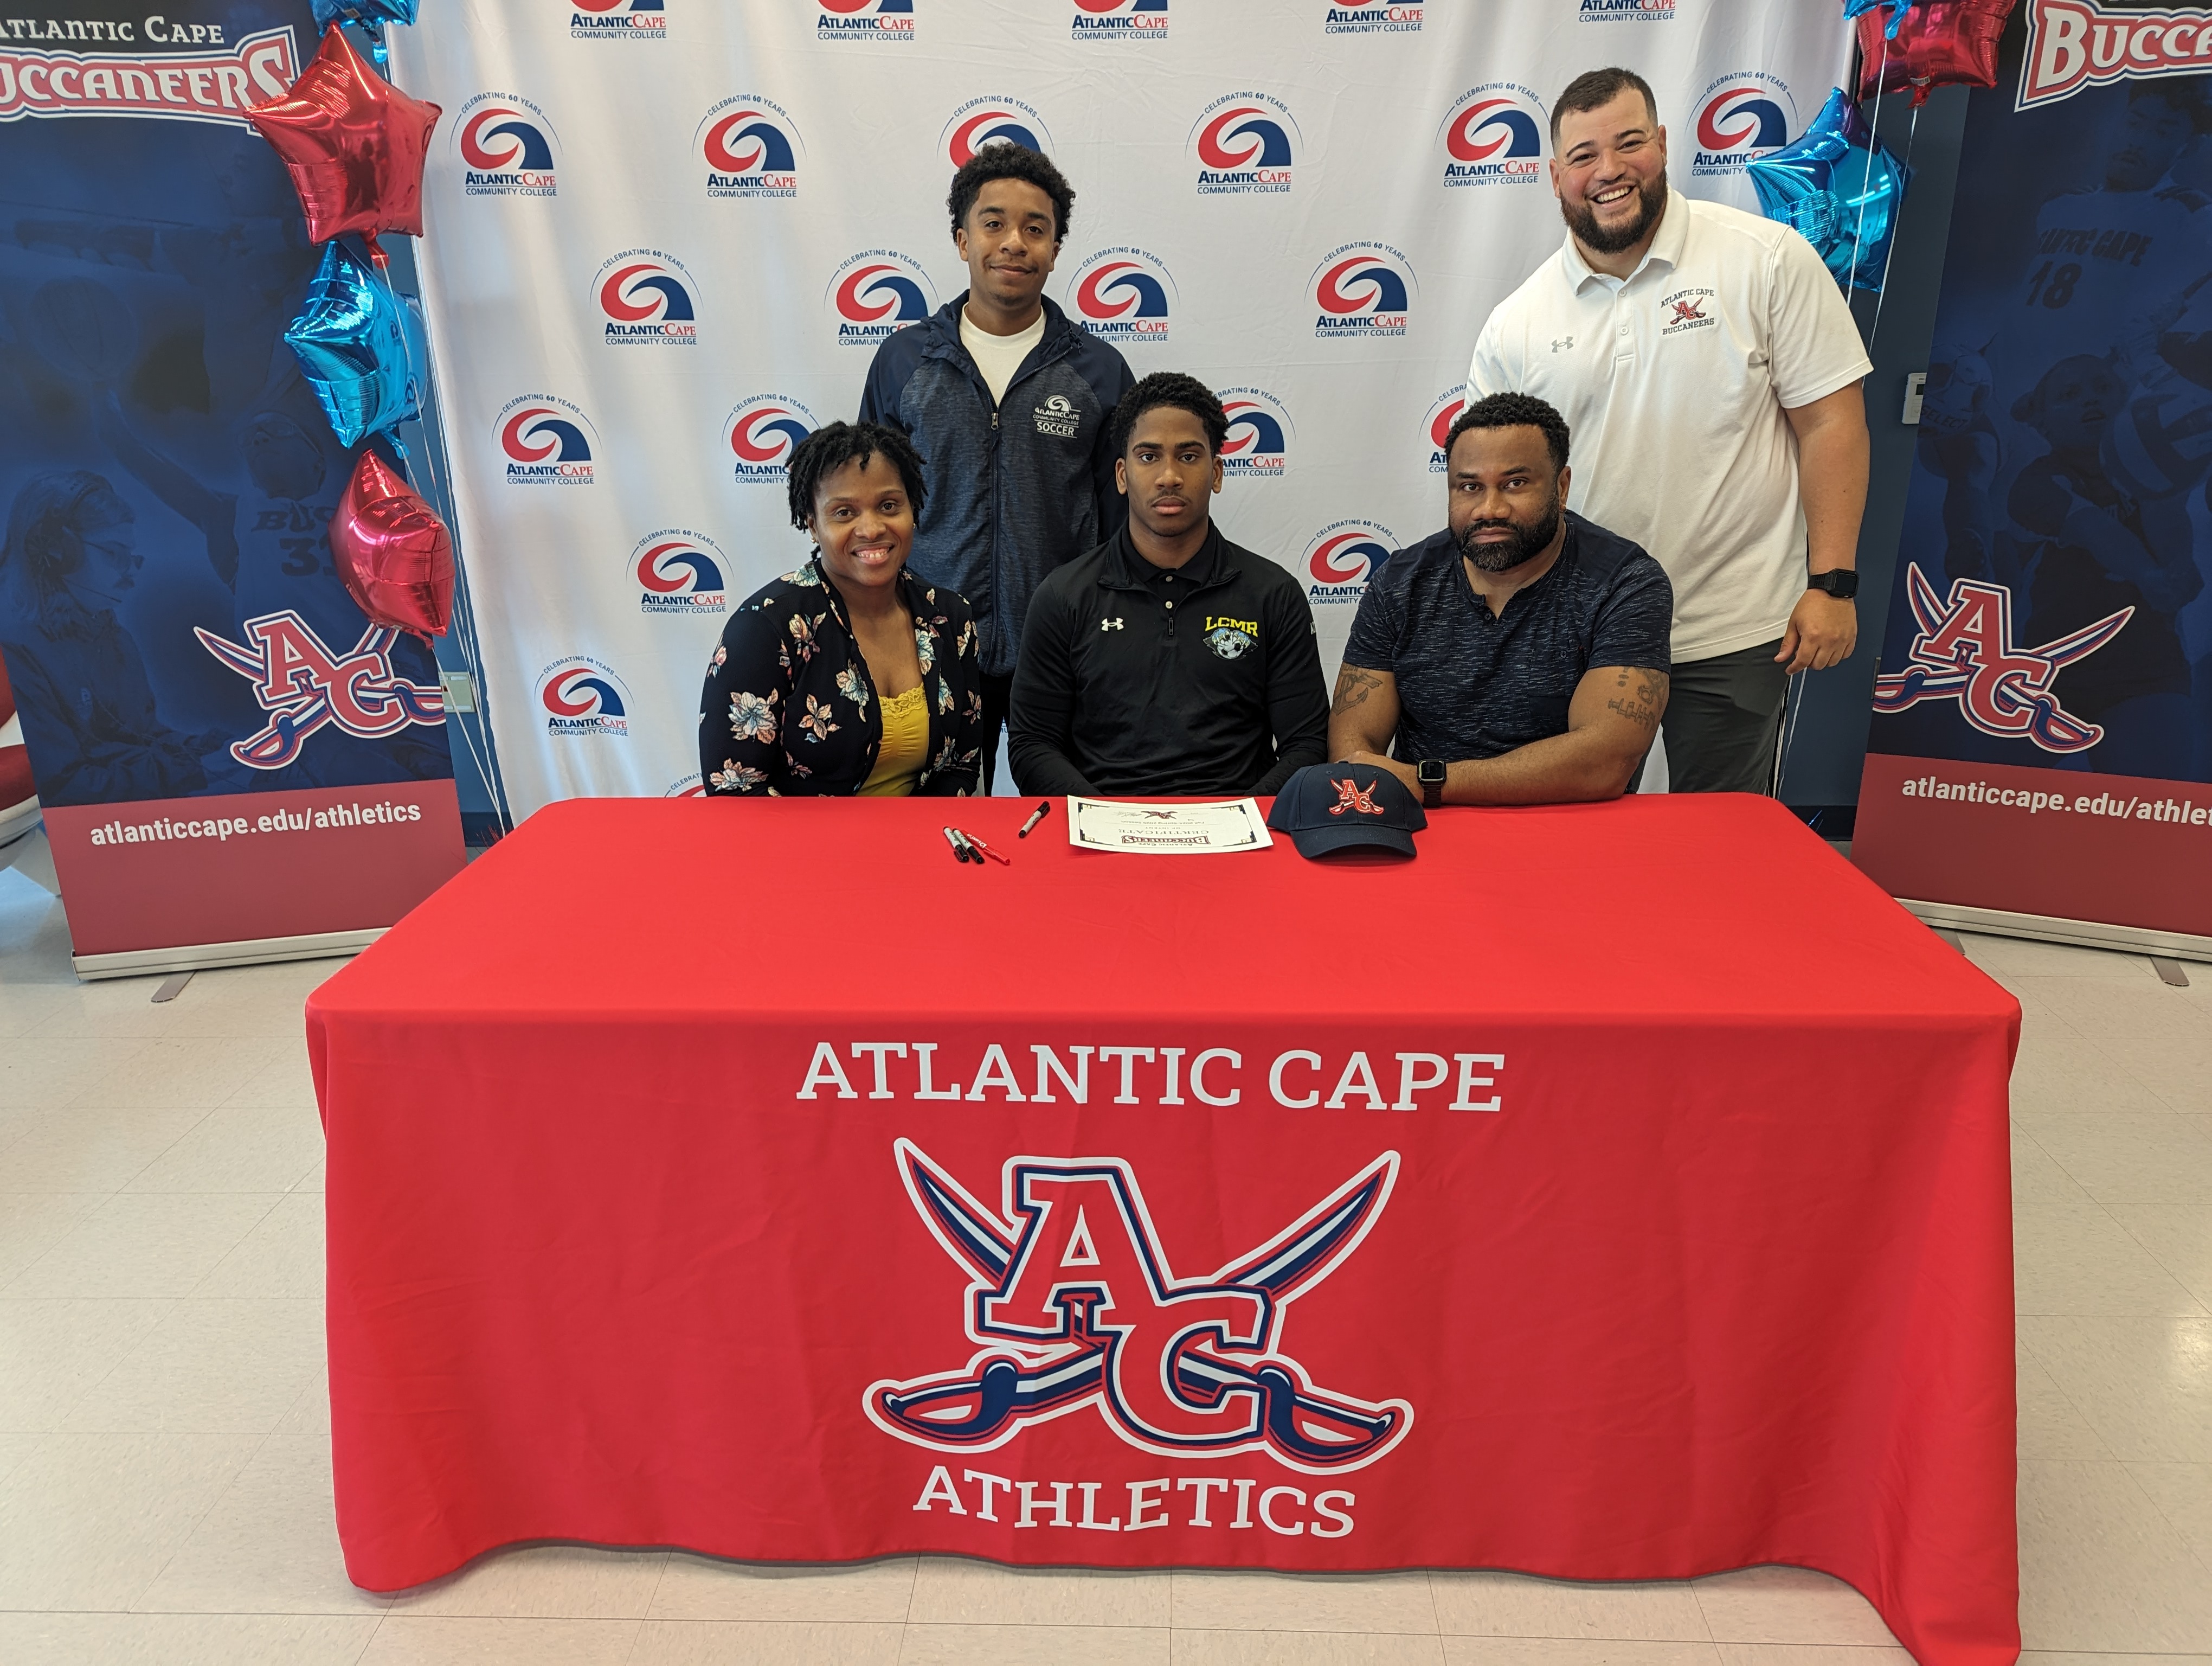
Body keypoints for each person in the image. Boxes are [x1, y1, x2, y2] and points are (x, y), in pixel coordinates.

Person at [1466, 66, 1870, 795]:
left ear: (1661, 143)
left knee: (1722, 859)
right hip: (1574, 633)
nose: (1609, 171)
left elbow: (1830, 421)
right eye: (1584, 156)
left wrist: (1832, 584)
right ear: (1555, 175)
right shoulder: (1516, 323)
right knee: (1569, 848)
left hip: (1733, 628)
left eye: (1629, 144)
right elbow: (1495, 488)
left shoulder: (1768, 260)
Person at [859, 143, 1134, 789]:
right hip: (927, 642)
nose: (1014, 242)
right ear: (962, 239)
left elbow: (1122, 519)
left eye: (1035, 229)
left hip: (1064, 643)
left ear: (1055, 250)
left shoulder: (1098, 371)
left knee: (1070, 822)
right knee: (933, 833)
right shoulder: (904, 362)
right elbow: (872, 508)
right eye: (994, 223)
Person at [1328, 393, 1671, 806]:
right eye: (1470, 487)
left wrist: (1428, 782)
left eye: (1515, 484)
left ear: (1561, 488)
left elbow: (1603, 761)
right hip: (1425, 828)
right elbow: (1353, 743)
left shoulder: (1626, 582)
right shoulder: (1400, 582)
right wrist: (1378, 777)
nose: (1490, 509)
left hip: (1569, 825)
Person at [1008, 373, 1328, 797]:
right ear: (1122, 476)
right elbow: (1032, 745)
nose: (1169, 477)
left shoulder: (1273, 595)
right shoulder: (1063, 596)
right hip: (1102, 833)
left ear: (1216, 472)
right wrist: (1103, 815)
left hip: (1239, 834)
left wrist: (1243, 816)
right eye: (1148, 457)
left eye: (1189, 457)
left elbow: (1308, 744)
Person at [698, 422, 984, 797]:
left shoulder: (951, 619)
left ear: (912, 509)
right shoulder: (766, 628)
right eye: (845, 513)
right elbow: (735, 791)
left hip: (922, 845)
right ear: (813, 524)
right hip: (804, 851)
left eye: (888, 506)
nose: (871, 529)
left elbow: (961, 764)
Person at [0, 470, 211, 805]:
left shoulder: (113, 638)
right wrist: (194, 769)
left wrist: (219, 751)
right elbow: (64, 788)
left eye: (132, 557)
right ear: (56, 552)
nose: (130, 574)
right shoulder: (15, 652)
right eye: (114, 554)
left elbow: (143, 739)